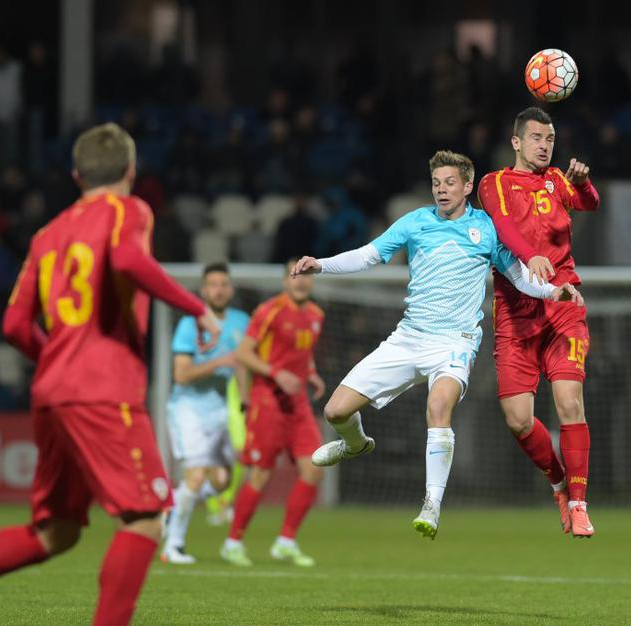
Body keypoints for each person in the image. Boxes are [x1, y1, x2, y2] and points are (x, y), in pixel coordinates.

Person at [0, 122, 219, 625]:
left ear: (77, 176)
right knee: (147, 517)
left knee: (56, 532)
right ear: (131, 171)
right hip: (103, 389)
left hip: (52, 393)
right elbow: (128, 259)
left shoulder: (46, 235)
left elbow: (13, 325)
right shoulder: (128, 210)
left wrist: (55, 358)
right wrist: (196, 308)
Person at [292, 150, 584, 539]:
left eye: (449, 182)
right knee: (335, 411)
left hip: (454, 342)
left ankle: (431, 504)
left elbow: (518, 276)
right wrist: (322, 264)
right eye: (435, 183)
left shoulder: (486, 228)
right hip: (409, 337)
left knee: (437, 407)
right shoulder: (416, 222)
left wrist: (552, 292)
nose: (441, 189)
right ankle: (356, 444)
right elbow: (368, 256)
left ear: (467, 186)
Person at [477, 107, 599, 538]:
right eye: (536, 138)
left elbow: (590, 203)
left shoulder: (558, 180)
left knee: (569, 401)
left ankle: (580, 504)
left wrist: (582, 184)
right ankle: (559, 483)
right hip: (515, 314)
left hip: (564, 305)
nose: (545, 146)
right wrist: (530, 257)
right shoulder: (494, 183)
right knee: (518, 420)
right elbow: (502, 225)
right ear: (516, 142)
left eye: (550, 139)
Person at [219, 262, 327, 567]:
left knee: (314, 469)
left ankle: (285, 542)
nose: (300, 281)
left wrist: (311, 372)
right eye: (294, 275)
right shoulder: (269, 311)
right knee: (261, 474)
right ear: (284, 281)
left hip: (298, 403)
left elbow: (302, 353)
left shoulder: (316, 315)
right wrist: (275, 373)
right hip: (267, 401)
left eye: (306, 276)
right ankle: (232, 542)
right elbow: (243, 353)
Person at [161, 262, 250, 564]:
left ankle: (172, 505)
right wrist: (220, 362)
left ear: (231, 289)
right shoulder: (191, 324)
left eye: (224, 284)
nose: (219, 290)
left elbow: (242, 364)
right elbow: (181, 375)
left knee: (222, 480)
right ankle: (173, 546)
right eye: (212, 284)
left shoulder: (241, 322)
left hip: (219, 408)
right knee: (197, 475)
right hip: (187, 408)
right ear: (203, 290)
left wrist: (246, 401)